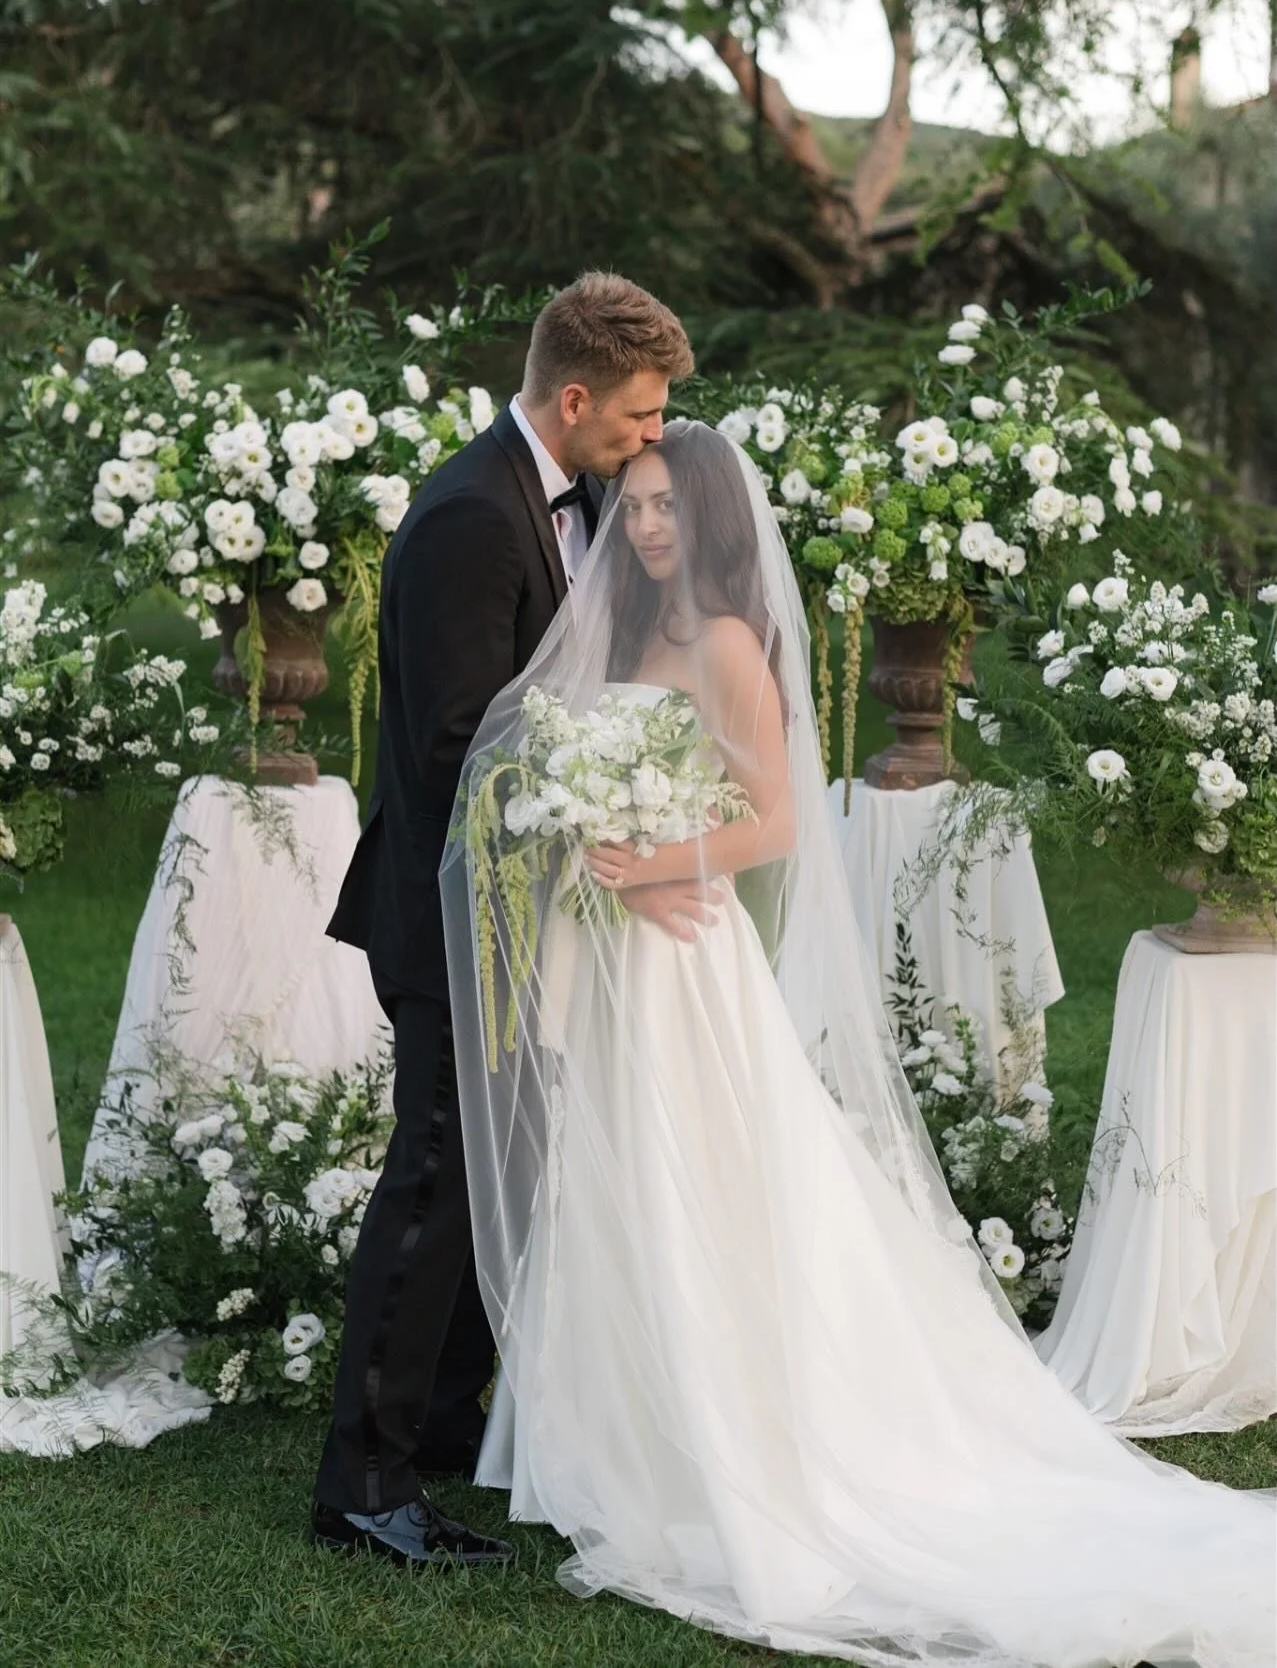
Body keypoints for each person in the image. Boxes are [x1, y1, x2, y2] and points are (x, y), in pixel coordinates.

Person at [440, 421, 1275, 1662]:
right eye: (639, 501)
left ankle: (724, 1434)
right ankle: (606, 1427)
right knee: (608, 1166)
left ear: (713, 519)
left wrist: (648, 861)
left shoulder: (725, 641)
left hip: (682, 955)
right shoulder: (617, 633)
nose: (649, 523)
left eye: (670, 505)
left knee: (700, 1177)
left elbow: (773, 822)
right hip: (616, 944)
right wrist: (585, 849)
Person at [312, 273, 698, 1567]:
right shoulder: (471, 516)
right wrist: (597, 811)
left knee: (500, 1179)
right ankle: (361, 1480)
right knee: (431, 1181)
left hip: (538, 915)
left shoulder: (575, 495)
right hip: (456, 912)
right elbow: (457, 736)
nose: (652, 437)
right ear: (575, 396)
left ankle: (429, 1420)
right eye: (640, 415)